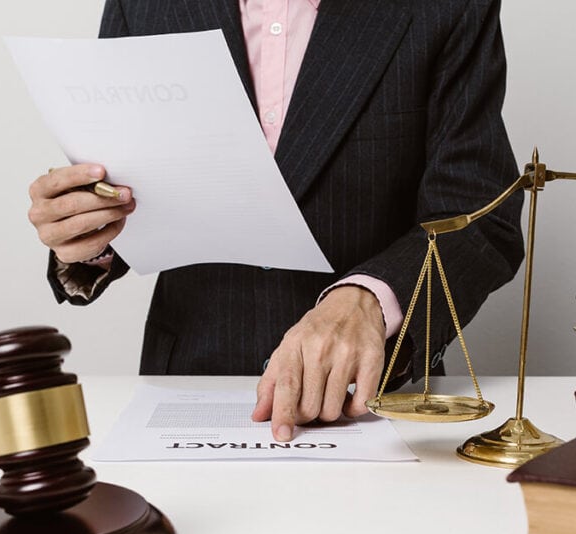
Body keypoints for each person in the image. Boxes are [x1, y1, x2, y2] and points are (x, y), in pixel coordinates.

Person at [28, 0, 524, 441]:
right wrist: (86, 232)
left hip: (374, 397)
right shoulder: (142, 7)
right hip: (186, 385)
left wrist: (368, 299)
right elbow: (122, 186)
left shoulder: (453, 8)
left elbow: (480, 219)